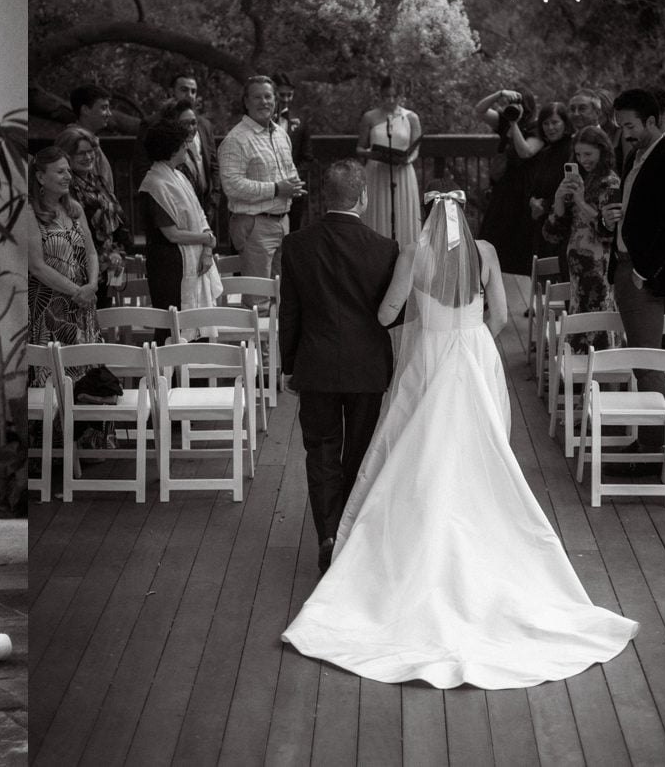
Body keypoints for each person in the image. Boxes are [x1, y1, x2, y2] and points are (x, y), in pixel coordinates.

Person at [282, 183, 638, 687]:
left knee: (421, 449)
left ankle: (416, 537)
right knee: (479, 448)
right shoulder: (485, 252)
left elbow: (386, 314)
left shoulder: (413, 253)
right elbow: (501, 316)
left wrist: (420, 321)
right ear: (463, 215)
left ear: (428, 215)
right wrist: (469, 339)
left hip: (429, 358)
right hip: (473, 356)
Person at [277, 160, 398, 575]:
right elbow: (392, 314)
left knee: (321, 452)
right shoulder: (385, 248)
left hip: (316, 366)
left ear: (324, 197)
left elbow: (290, 312)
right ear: (363, 197)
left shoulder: (297, 244)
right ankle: (350, 533)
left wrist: (288, 365)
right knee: (359, 452)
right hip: (367, 368)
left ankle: (328, 534)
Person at [599, 88, 665, 476]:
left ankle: (653, 449)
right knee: (644, 358)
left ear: (653, 121)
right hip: (624, 265)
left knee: (647, 361)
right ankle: (658, 438)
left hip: (645, 277)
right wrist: (611, 218)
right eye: (621, 126)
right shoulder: (637, 153)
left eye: (630, 125)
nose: (624, 133)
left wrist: (642, 273)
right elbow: (639, 209)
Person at [217, 75, 306, 285]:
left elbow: (289, 170)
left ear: (275, 100)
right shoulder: (236, 139)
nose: (264, 102)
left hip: (283, 222)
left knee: (282, 296)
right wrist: (276, 189)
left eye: (268, 96)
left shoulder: (281, 135)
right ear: (246, 102)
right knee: (258, 298)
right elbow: (232, 186)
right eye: (257, 97)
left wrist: (294, 185)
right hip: (254, 226)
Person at [542, 126, 622, 350]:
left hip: (600, 262)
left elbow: (608, 229)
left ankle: (603, 362)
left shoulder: (610, 182)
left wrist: (579, 200)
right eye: (578, 155)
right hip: (575, 261)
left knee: (600, 312)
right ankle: (577, 364)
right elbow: (552, 233)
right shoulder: (578, 180)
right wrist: (559, 199)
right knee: (577, 312)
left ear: (602, 151)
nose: (583, 160)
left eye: (588, 154)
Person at [25, 146, 101, 379]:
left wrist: (92, 285)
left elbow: (92, 253)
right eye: (60, 172)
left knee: (88, 378)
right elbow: (36, 266)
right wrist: (77, 291)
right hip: (50, 309)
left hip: (83, 305)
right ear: (40, 177)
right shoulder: (30, 212)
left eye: (68, 170)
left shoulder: (74, 209)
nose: (68, 176)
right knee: (54, 379)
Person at [137, 117, 221, 316]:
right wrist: (206, 238)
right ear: (171, 149)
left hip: (196, 257)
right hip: (169, 265)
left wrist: (207, 249)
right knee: (172, 322)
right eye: (183, 144)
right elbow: (172, 234)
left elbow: (200, 215)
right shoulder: (154, 185)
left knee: (199, 321)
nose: (187, 147)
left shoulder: (180, 176)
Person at [57, 124, 130, 304]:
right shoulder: (63, 188)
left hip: (108, 267)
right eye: (81, 153)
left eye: (91, 151)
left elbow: (119, 220)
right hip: (79, 272)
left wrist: (116, 253)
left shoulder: (98, 182)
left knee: (105, 317)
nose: (88, 157)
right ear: (67, 155)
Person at [476, 86, 541, 280]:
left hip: (523, 190)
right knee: (492, 237)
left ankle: (518, 285)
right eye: (511, 105)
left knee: (518, 241)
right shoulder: (505, 121)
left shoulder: (536, 127)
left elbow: (526, 152)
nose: (514, 108)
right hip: (503, 188)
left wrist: (515, 124)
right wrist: (500, 94)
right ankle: (488, 279)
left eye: (519, 105)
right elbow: (479, 110)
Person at [355, 76, 421, 247]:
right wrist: (371, 154)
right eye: (386, 96)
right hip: (377, 171)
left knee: (402, 213)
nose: (390, 100)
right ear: (381, 95)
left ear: (400, 96)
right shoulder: (369, 117)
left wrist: (408, 159)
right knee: (377, 212)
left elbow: (416, 148)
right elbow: (360, 148)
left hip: (402, 173)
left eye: (394, 96)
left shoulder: (411, 117)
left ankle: (404, 254)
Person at [171, 71, 222, 224]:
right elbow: (142, 168)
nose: (190, 95)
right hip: (173, 204)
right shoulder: (155, 124)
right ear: (171, 92)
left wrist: (214, 200)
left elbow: (213, 164)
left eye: (193, 91)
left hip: (204, 205)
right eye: (184, 90)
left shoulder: (204, 125)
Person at [526, 100, 574, 261]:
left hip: (562, 224)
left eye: (555, 122)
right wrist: (532, 201)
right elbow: (533, 186)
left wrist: (545, 205)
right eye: (545, 123)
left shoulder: (573, 151)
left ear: (565, 123)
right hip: (541, 222)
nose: (550, 127)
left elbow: (571, 190)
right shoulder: (545, 153)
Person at [276, 74, 314, 230]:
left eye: (289, 95)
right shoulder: (261, 120)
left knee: (293, 230)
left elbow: (307, 156)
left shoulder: (301, 121)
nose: (285, 99)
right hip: (267, 187)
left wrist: (294, 178)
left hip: (293, 186)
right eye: (281, 95)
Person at [69, 81, 116, 191]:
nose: (109, 113)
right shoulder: (73, 140)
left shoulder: (90, 139)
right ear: (85, 110)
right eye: (104, 108)